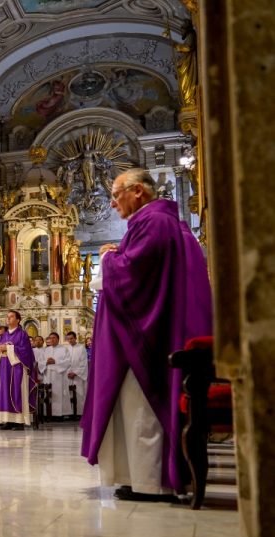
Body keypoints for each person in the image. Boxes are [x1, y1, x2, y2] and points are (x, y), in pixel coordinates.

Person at [81, 168, 212, 501]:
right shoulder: (162, 222)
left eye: (115, 194)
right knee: (133, 408)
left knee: (140, 408)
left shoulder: (152, 222)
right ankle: (138, 478)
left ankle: (151, 481)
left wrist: (108, 257)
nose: (112, 204)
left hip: (144, 338)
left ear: (137, 191)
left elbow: (132, 275)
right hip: (152, 332)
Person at [0, 310, 35, 429]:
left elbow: (26, 352)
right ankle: (7, 421)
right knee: (4, 393)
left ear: (18, 320)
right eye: (7, 317)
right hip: (3, 368)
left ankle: (19, 422)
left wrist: (9, 348)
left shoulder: (22, 334)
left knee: (17, 392)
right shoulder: (3, 336)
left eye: (11, 317)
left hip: (17, 368)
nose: (8, 319)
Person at [41, 333, 72, 419]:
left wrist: (55, 362)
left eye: (54, 338)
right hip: (48, 375)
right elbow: (41, 362)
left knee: (59, 394)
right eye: (50, 338)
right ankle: (48, 413)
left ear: (58, 339)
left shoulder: (64, 349)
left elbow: (68, 361)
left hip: (59, 375)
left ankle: (60, 414)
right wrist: (46, 362)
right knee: (49, 393)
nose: (52, 340)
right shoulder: (46, 350)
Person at [65, 331, 88, 416]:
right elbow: (65, 362)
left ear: (75, 338)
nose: (70, 340)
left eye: (71, 338)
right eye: (68, 339)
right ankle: (70, 413)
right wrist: (68, 373)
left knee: (80, 394)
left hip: (78, 375)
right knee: (68, 394)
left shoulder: (81, 348)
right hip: (68, 375)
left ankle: (79, 413)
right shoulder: (66, 348)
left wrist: (75, 373)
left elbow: (84, 363)